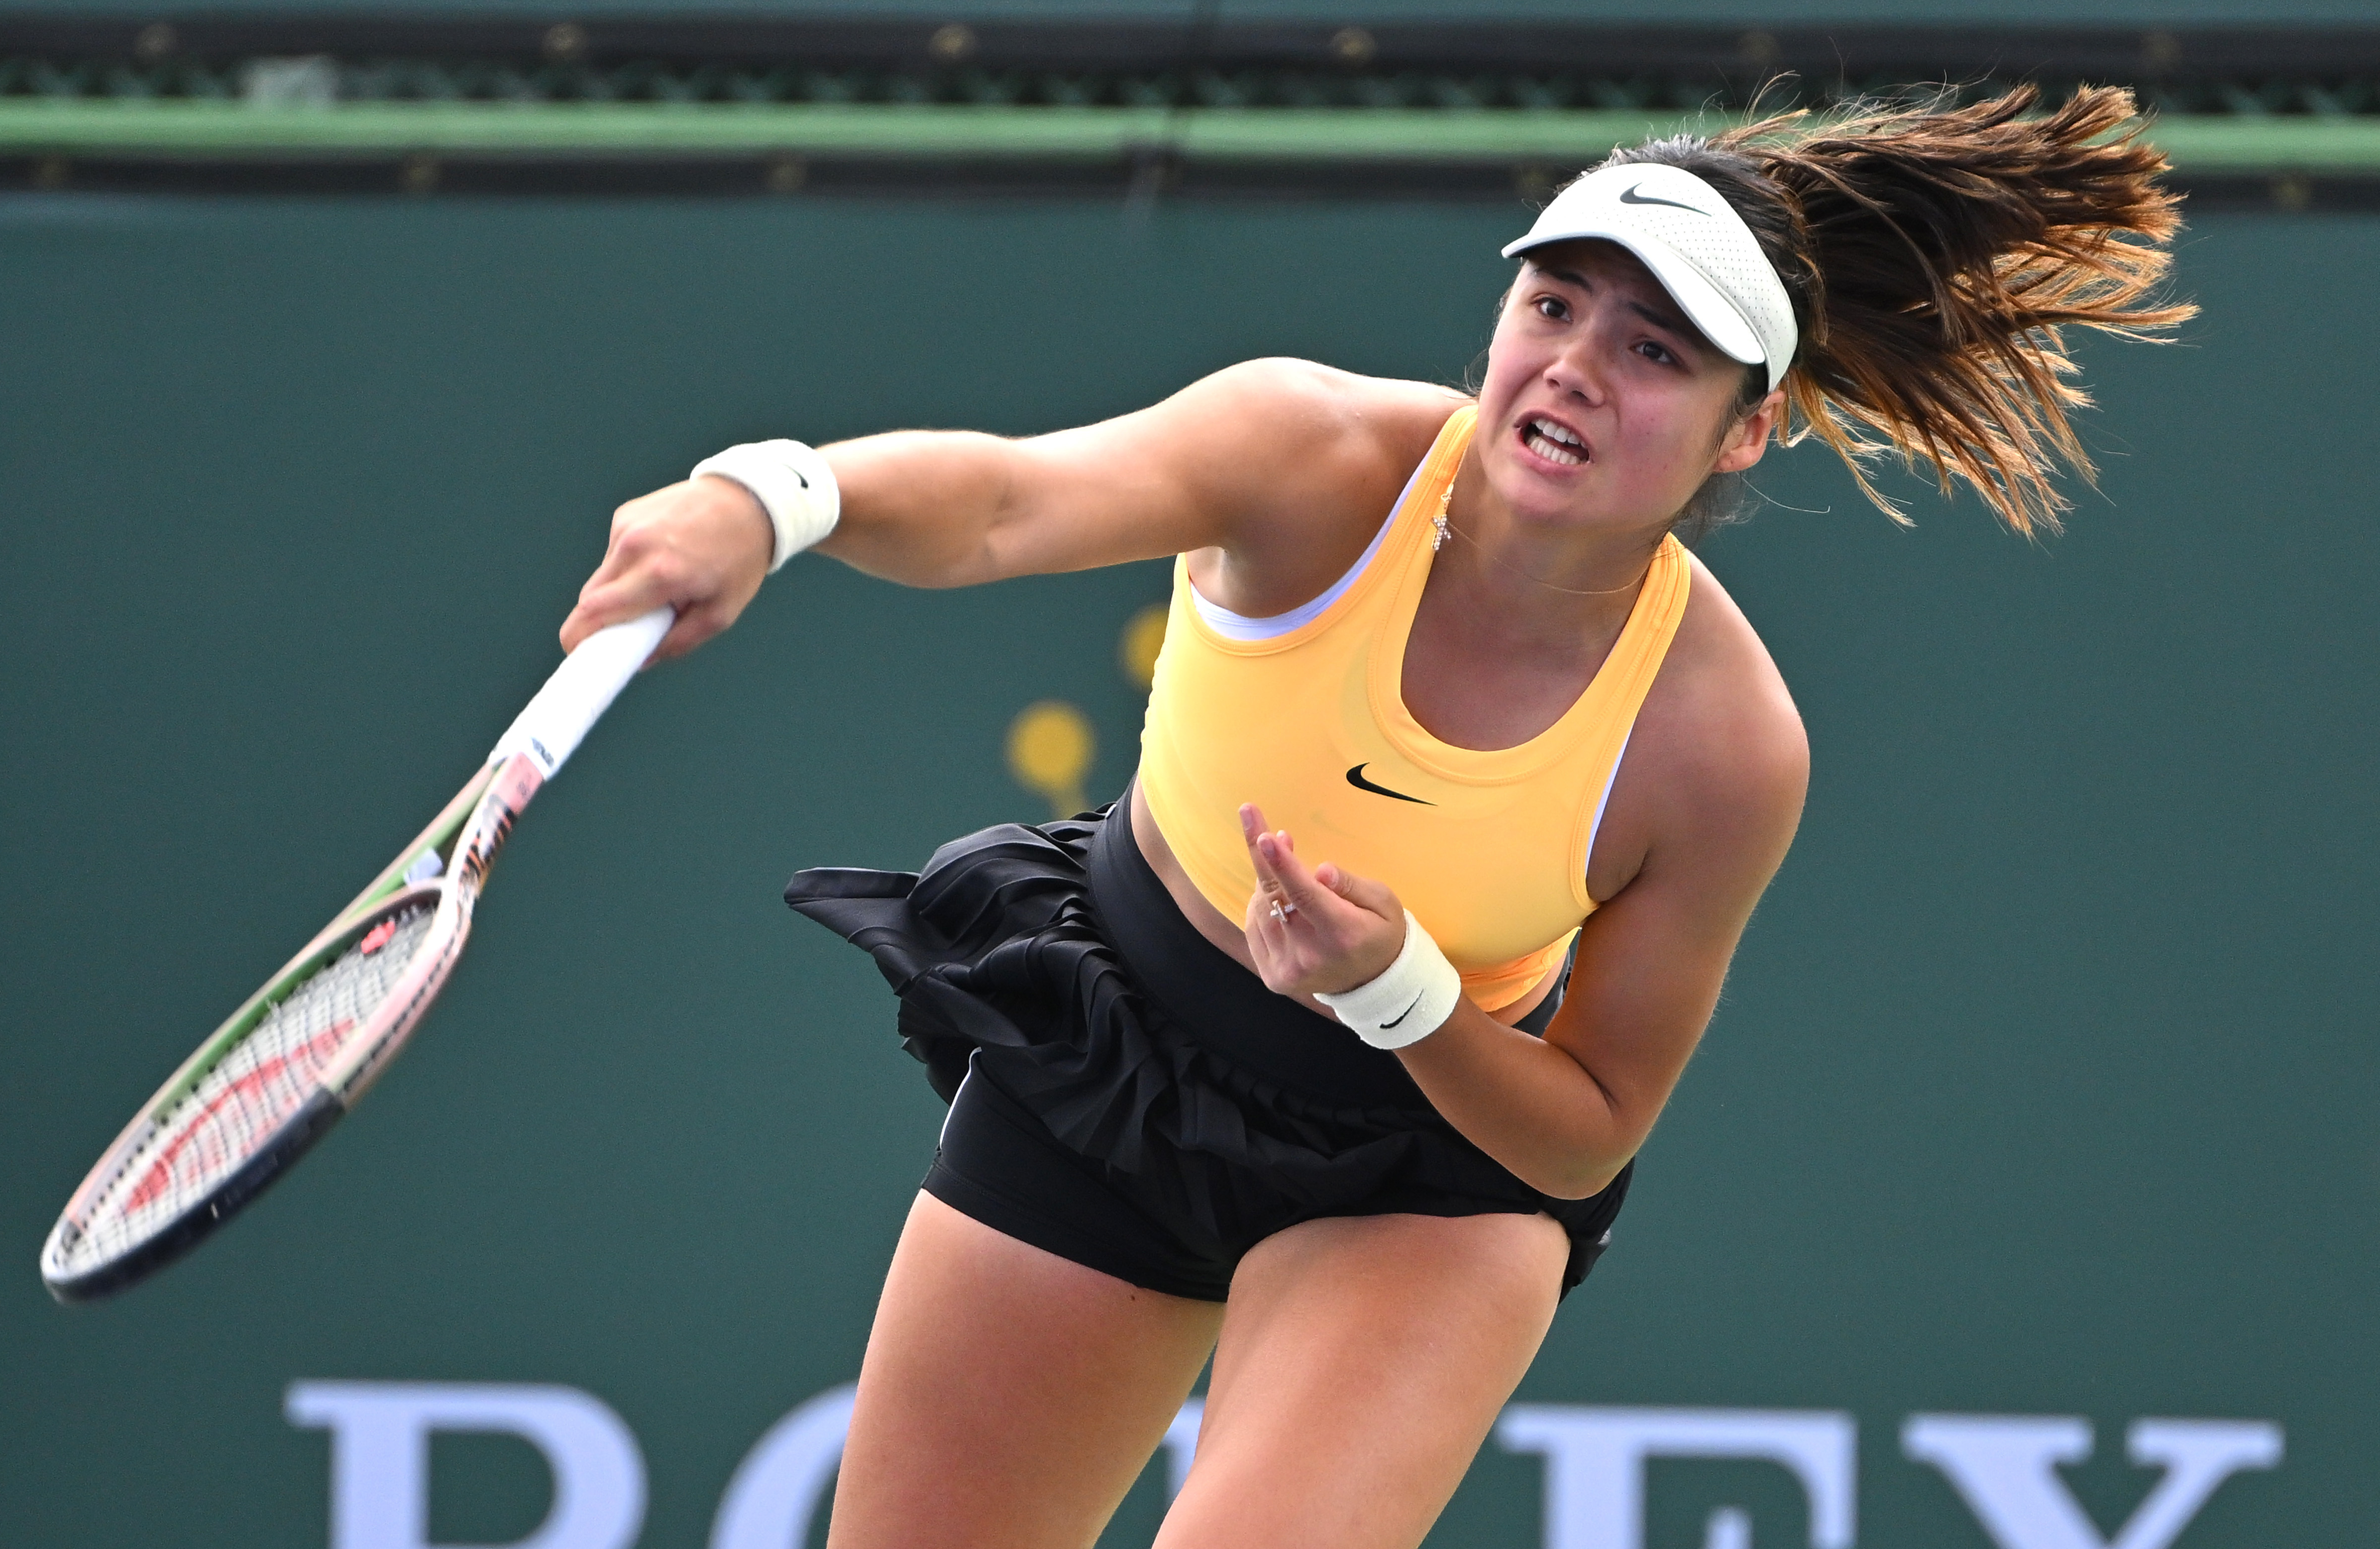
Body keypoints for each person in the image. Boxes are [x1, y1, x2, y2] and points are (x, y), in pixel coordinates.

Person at [562, 85, 2188, 1549]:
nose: (1574, 364)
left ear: (1741, 433)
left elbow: (1593, 1118)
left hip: (1430, 1173)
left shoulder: (1723, 744)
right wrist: (770, 500)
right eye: (1555, 304)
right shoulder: (1309, 456)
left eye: (1655, 350)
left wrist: (1398, 993)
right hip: (1110, 1052)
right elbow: (1002, 503)